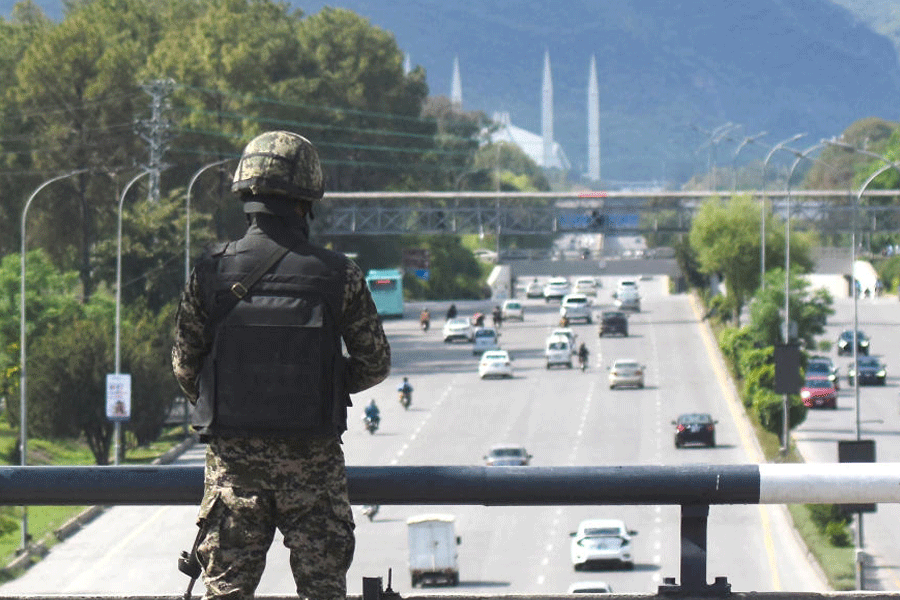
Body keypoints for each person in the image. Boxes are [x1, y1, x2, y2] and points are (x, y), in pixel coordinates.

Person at [172, 131, 391, 600]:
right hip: (314, 468)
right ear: (307, 198)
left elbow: (184, 366)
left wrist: (233, 394)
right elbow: (375, 363)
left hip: (234, 472)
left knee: (224, 593)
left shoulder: (210, 271)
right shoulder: (339, 274)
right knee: (324, 593)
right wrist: (325, 383)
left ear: (246, 193)